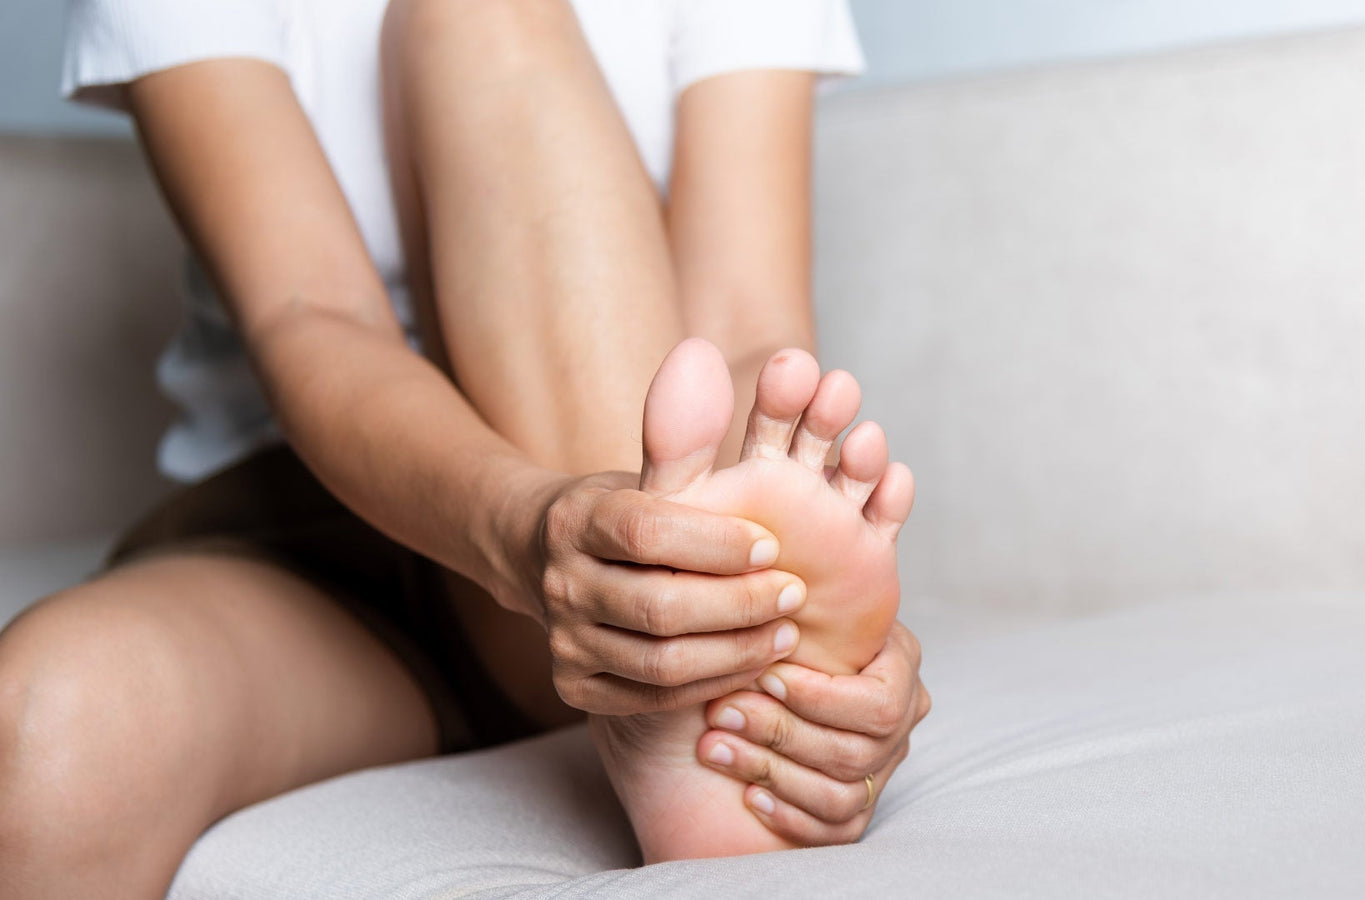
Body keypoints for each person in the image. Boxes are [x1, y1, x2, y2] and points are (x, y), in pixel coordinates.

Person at [0, 0, 932, 894]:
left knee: (481, 13)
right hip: (314, 549)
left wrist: (770, 625)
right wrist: (527, 534)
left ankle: (674, 680)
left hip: (602, 501)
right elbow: (310, 314)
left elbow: (745, 333)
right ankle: (666, 667)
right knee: (43, 730)